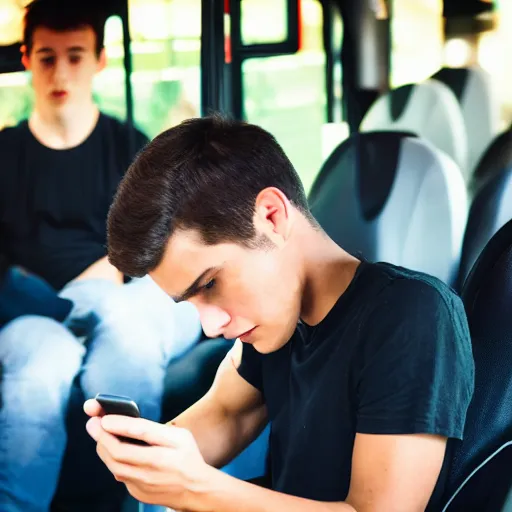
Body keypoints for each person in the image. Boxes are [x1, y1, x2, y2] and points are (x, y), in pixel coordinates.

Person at [85, 114, 475, 511]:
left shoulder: (412, 316)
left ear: (271, 216)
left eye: (210, 284)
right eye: (192, 301)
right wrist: (146, 456)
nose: (212, 324)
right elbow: (227, 413)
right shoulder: (277, 322)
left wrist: (197, 489)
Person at [0, 1, 203, 511]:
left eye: (75, 56)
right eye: (47, 57)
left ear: (99, 60)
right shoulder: (5, 155)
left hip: (126, 299)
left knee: (127, 322)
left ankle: (143, 501)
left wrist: (106, 275)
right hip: (35, 316)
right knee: (41, 364)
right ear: (26, 60)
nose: (60, 72)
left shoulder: (133, 149)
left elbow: (161, 245)